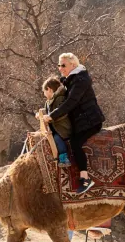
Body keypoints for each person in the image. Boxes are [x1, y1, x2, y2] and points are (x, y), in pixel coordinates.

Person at [40, 53, 105, 194]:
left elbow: (71, 103)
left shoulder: (81, 80)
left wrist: (52, 116)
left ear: (73, 65)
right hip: (80, 122)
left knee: (75, 143)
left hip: (91, 121)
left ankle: (85, 179)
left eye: (63, 65)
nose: (60, 68)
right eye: (59, 65)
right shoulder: (70, 80)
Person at [39, 75, 71, 166]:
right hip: (54, 127)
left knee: (56, 138)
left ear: (48, 89)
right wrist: (40, 115)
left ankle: (64, 157)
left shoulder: (60, 98)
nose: (44, 94)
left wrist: (50, 117)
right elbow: (47, 112)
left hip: (62, 127)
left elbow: (61, 112)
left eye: (44, 91)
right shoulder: (49, 101)